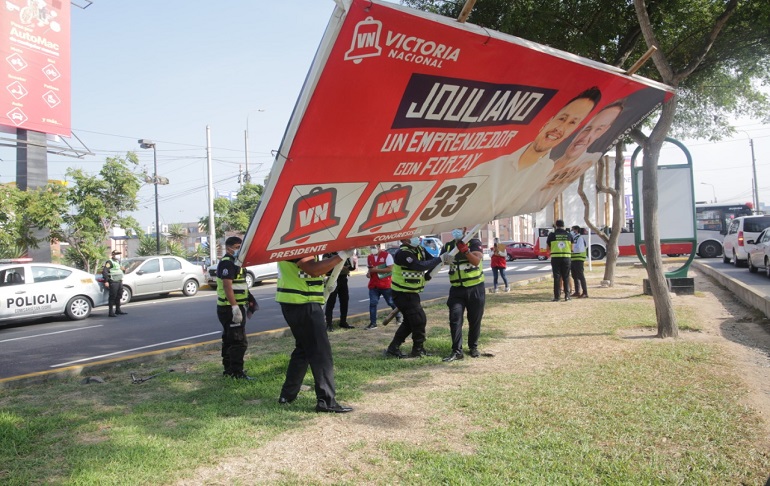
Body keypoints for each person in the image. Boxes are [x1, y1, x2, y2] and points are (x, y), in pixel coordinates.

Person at [276, 250, 354, 413]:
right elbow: (313, 269)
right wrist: (340, 256)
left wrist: (334, 266)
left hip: (296, 303)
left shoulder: (297, 245)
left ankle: (287, 395)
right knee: (321, 353)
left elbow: (315, 270)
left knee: (303, 350)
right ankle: (326, 401)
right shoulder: (297, 246)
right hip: (303, 303)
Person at [385, 237, 442, 358]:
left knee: (410, 322)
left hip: (411, 292)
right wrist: (440, 259)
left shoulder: (420, 249)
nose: (415, 238)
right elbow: (419, 265)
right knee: (419, 320)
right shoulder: (403, 253)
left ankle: (393, 348)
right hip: (402, 293)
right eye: (410, 237)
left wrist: (428, 275)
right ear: (404, 240)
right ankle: (418, 349)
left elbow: (431, 261)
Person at [441, 229, 486, 362]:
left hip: (475, 287)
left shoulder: (474, 242)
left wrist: (465, 251)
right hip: (457, 289)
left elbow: (476, 261)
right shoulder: (448, 246)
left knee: (474, 319)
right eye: (454, 228)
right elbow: (441, 261)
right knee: (455, 319)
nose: (457, 230)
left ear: (466, 229)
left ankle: (473, 347)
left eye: (460, 228)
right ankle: (457, 351)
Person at [216, 236, 253, 380]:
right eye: (237, 247)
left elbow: (240, 284)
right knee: (238, 341)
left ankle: (229, 370)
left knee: (229, 339)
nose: (240, 250)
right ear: (229, 248)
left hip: (233, 306)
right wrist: (234, 308)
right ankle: (237, 372)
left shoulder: (237, 263)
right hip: (229, 308)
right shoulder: (227, 263)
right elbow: (227, 286)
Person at [365, 244, 400, 330]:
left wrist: (375, 270)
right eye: (371, 247)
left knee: (390, 302)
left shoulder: (387, 256)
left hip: (385, 284)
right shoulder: (369, 257)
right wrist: (369, 274)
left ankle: (398, 316)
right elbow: (370, 270)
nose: (372, 249)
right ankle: (373, 323)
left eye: (374, 247)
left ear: (379, 247)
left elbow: (390, 269)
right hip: (373, 284)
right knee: (373, 303)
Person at [323, 251, 356, 331]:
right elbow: (326, 266)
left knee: (344, 301)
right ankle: (329, 324)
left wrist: (353, 263)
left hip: (343, 279)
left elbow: (351, 268)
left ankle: (343, 322)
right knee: (331, 302)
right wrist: (340, 267)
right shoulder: (328, 254)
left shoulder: (344, 253)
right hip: (332, 279)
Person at [546, 220, 572, 302]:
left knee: (557, 277)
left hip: (556, 258)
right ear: (563, 225)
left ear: (556, 226)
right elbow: (572, 248)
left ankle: (557, 297)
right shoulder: (569, 234)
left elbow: (547, 248)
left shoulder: (552, 235)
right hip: (566, 258)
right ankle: (567, 296)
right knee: (566, 277)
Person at [102, 250, 127, 317]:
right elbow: (105, 271)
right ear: (113, 255)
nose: (118, 255)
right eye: (116, 254)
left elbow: (121, 270)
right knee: (112, 296)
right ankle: (110, 312)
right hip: (113, 281)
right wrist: (106, 281)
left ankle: (118, 310)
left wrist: (124, 270)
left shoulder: (118, 262)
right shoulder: (109, 262)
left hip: (119, 281)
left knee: (119, 296)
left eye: (118, 254)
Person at [570, 225, 588, 298]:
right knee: (574, 276)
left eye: (572, 230)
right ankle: (577, 291)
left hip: (579, 259)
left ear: (576, 230)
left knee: (580, 276)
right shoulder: (574, 238)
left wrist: (571, 249)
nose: (571, 231)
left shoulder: (579, 238)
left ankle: (585, 292)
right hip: (573, 259)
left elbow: (579, 249)